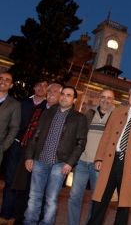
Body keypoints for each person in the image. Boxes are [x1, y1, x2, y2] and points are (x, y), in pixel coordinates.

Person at [87, 86, 131, 225]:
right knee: (100, 199)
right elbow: (106, 136)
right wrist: (99, 157)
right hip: (111, 160)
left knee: (124, 203)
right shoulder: (117, 111)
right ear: (128, 97)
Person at [23, 86, 88, 225]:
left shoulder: (79, 118)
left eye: (68, 95)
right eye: (63, 94)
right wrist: (29, 156)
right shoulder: (48, 112)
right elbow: (35, 136)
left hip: (60, 164)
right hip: (40, 160)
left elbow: (80, 143)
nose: (64, 97)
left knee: (51, 199)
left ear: (74, 99)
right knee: (34, 196)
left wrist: (70, 163)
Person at [12, 83, 61, 225]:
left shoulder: (61, 113)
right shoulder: (39, 108)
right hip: (28, 152)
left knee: (41, 193)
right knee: (24, 189)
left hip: (45, 157)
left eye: (56, 92)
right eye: (50, 90)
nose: (51, 93)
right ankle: (20, 219)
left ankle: (38, 221)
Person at [0, 80, 48, 224]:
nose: (41, 87)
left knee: (24, 184)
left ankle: (17, 215)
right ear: (34, 87)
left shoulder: (48, 107)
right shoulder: (22, 103)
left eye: (45, 86)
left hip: (32, 150)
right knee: (9, 181)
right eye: (38, 85)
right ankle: (5, 214)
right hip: (16, 145)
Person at [68, 89, 116, 225]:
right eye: (103, 97)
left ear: (113, 101)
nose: (105, 100)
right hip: (82, 161)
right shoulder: (89, 113)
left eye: (109, 98)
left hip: (100, 165)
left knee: (96, 199)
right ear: (99, 98)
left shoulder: (116, 116)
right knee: (74, 196)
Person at [0, 72, 21, 165]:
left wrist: (3, 147)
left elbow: (14, 128)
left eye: (7, 80)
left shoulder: (14, 104)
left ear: (11, 85)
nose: (3, 81)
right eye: (1, 78)